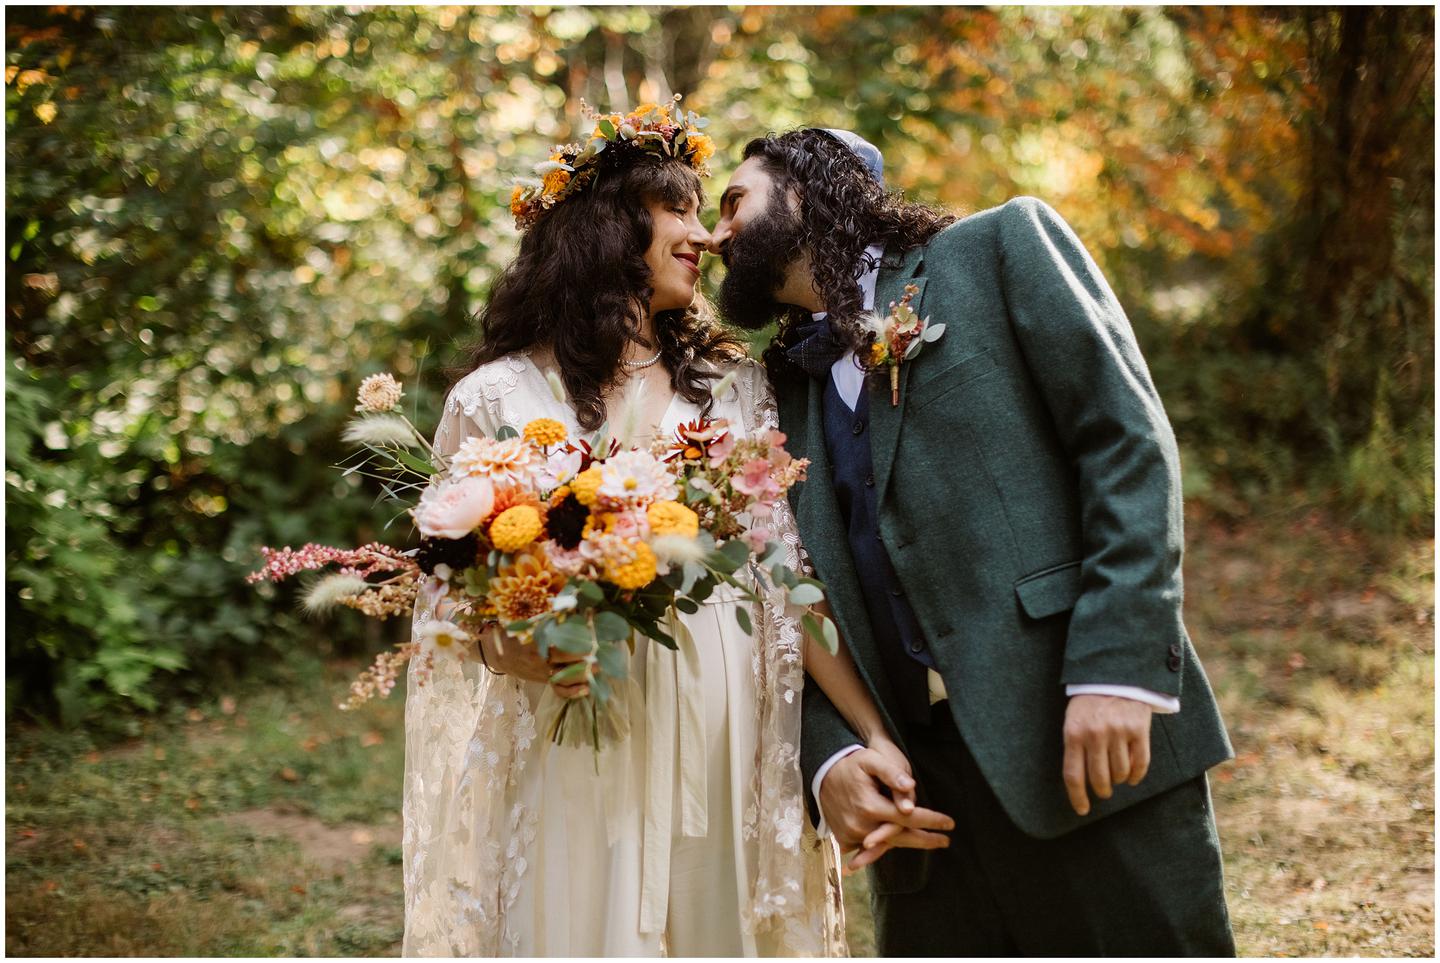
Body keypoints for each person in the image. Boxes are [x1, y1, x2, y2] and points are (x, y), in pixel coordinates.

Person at [399, 103, 930, 957]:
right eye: (677, 209)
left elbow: (788, 577)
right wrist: (522, 647)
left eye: (703, 209)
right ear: (609, 227)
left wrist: (871, 729)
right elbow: (457, 608)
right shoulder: (494, 400)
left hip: (726, 721)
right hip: (580, 728)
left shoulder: (734, 388)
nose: (703, 235)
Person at [709, 127, 1237, 956]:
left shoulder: (996, 249)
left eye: (733, 200)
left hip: (1080, 734)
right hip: (921, 813)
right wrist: (830, 757)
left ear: (804, 189)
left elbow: (1126, 443)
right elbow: (777, 592)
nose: (716, 233)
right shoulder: (770, 392)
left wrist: (1117, 668)